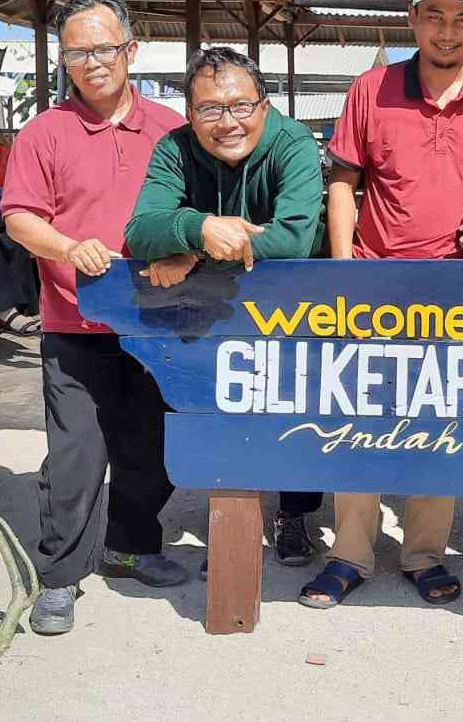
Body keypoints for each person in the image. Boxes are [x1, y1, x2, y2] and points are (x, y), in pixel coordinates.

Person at [300, 0, 463, 610]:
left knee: (439, 419)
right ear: (412, 18)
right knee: (360, 417)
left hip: (460, 289)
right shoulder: (371, 90)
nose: (447, 30)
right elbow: (343, 182)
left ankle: (423, 552)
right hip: (375, 281)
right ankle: (349, 552)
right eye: (434, 14)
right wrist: (344, 269)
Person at [0, 0, 188, 635]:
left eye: (104, 47)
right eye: (77, 52)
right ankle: (59, 576)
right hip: (74, 322)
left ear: (131, 49)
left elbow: (200, 207)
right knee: (75, 456)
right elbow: (21, 218)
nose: (93, 61)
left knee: (150, 448)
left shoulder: (171, 128)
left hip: (157, 322)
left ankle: (132, 547)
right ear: (64, 61)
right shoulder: (45, 132)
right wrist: (67, 246)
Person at [123, 46, 327, 568]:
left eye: (240, 106)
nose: (227, 122)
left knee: (297, 409)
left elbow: (295, 240)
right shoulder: (173, 148)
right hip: (215, 313)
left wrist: (191, 251)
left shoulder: (294, 143)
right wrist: (197, 228)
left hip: (292, 306)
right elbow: (139, 231)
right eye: (210, 109)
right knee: (226, 410)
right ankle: (234, 523)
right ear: (190, 114)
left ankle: (294, 513)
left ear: (263, 105)